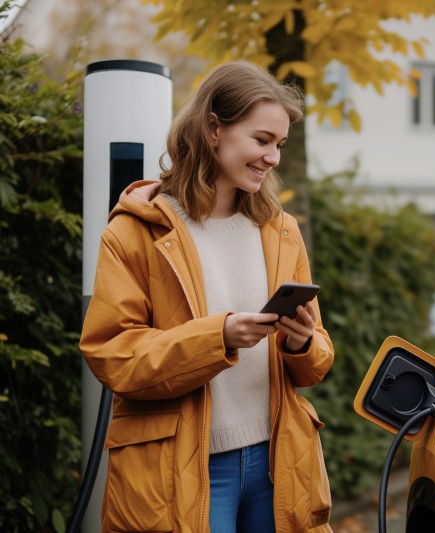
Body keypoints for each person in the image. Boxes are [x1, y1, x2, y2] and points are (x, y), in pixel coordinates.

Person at [80, 60, 334, 533]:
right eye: (261, 140)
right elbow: (114, 355)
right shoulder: (135, 231)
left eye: (279, 145)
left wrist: (302, 344)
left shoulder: (281, 232)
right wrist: (218, 336)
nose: (273, 158)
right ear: (214, 129)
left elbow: (317, 363)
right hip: (182, 470)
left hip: (278, 460)